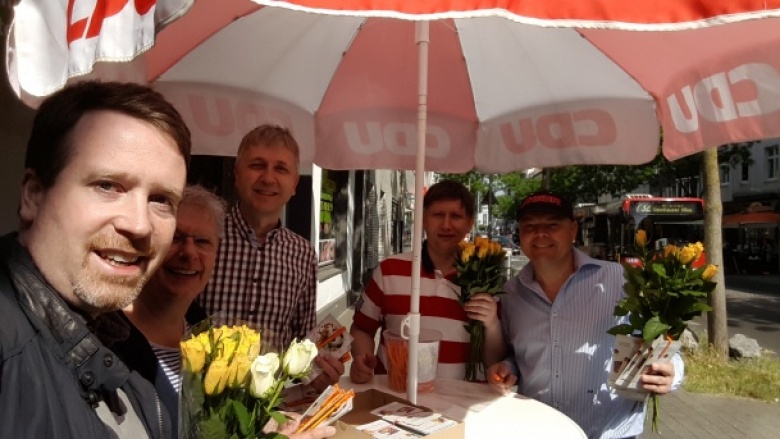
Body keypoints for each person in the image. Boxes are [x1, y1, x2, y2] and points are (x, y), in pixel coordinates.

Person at [0, 81, 191, 438]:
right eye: (108, 186)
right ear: (34, 195)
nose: (139, 224)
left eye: (161, 199)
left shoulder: (118, 336)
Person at [113, 185, 335, 439]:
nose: (189, 252)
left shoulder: (205, 331)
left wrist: (261, 429)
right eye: (176, 237)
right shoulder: (110, 345)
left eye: (202, 241)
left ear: (217, 252)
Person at [487, 190, 683, 439]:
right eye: (530, 226)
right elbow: (517, 355)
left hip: (608, 432)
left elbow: (662, 343)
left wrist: (671, 372)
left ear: (573, 230)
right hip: (538, 430)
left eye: (552, 225)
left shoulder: (619, 280)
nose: (540, 233)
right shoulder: (511, 294)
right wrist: (507, 366)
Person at [198, 124, 343, 391]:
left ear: (295, 184)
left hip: (268, 408)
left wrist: (318, 372)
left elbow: (303, 341)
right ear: (237, 174)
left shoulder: (302, 253)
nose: (268, 178)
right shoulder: (204, 238)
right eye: (257, 165)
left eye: (281, 169)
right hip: (198, 398)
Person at [349, 180, 505, 384]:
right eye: (438, 215)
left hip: (463, 400)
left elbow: (496, 358)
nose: (446, 225)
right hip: (396, 399)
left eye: (456, 216)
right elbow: (362, 328)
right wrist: (361, 359)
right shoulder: (389, 271)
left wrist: (492, 325)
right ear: (422, 219)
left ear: (470, 223)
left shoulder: (485, 278)